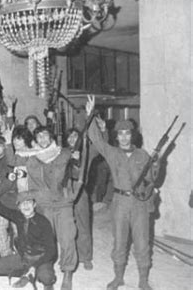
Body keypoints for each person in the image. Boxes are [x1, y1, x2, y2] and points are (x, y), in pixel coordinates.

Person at [86, 95, 158, 290]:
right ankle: (118, 277)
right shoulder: (112, 152)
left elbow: (152, 181)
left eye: (127, 133)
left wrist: (156, 166)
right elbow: (96, 139)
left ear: (132, 135)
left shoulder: (143, 155)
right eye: (120, 134)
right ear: (116, 136)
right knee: (119, 242)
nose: (124, 137)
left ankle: (143, 280)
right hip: (119, 202)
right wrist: (90, 114)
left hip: (139, 204)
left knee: (142, 243)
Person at [0, 178, 56, 290]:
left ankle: (39, 276)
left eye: (29, 202)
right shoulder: (18, 216)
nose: (26, 206)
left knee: (46, 277)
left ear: (34, 204)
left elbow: (52, 250)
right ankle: (26, 273)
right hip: (24, 257)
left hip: (40, 258)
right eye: (22, 204)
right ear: (19, 207)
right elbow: (1, 209)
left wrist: (35, 266)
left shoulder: (43, 222)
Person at [25, 126, 76, 290]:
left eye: (45, 135)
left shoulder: (65, 153)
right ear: (35, 140)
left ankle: (68, 272)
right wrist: (32, 207)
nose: (42, 139)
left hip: (63, 203)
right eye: (39, 136)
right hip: (44, 204)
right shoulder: (32, 159)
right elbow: (31, 186)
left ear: (52, 137)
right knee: (46, 241)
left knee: (67, 238)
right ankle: (48, 275)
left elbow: (85, 157)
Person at [65, 128, 93, 270]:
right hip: (65, 190)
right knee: (68, 226)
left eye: (75, 136)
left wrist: (79, 158)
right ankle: (70, 257)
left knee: (83, 224)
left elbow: (100, 148)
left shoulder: (86, 152)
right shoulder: (63, 153)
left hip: (80, 190)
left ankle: (86, 257)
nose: (72, 139)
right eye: (69, 137)